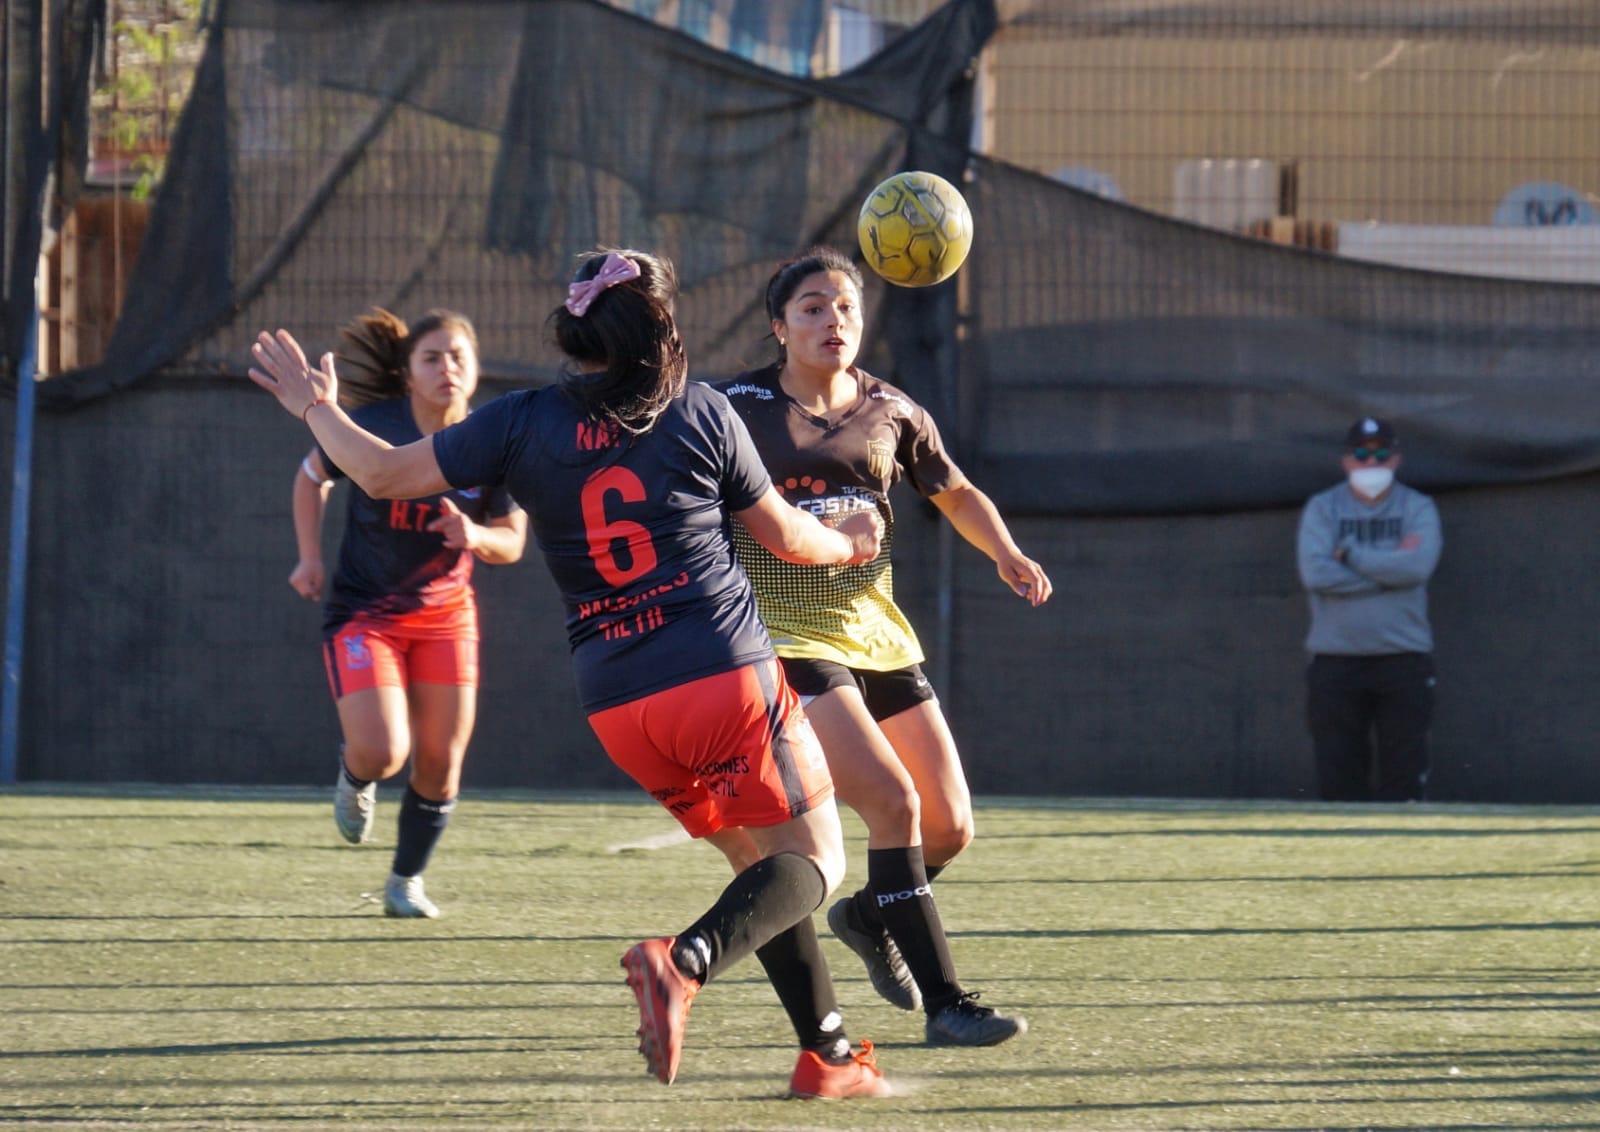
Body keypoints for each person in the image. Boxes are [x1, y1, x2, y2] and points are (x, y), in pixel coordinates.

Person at [250, 248, 893, 1100]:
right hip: (721, 676)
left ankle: (828, 1057)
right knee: (816, 863)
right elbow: (789, 539)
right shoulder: (700, 411)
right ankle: (684, 962)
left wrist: (316, 407)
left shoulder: (521, 421)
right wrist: (851, 538)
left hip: (621, 707)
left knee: (761, 869)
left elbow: (376, 471)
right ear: (662, 326)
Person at [713, 246, 1053, 1047]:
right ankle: (947, 1006)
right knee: (893, 804)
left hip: (876, 634)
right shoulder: (735, 409)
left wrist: (1003, 550)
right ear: (778, 325)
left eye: (846, 308)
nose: (834, 320)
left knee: (949, 827)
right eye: (812, 307)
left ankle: (870, 913)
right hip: (783, 633)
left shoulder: (892, 409)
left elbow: (955, 490)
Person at [286, 307, 528, 919]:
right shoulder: (373, 427)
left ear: (475, 371)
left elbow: (513, 541)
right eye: (431, 357)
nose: (447, 367)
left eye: (458, 356)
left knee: (441, 767)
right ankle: (355, 773)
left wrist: (474, 535)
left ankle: (404, 884)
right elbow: (311, 475)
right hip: (366, 612)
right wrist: (308, 557)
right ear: (408, 372)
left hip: (446, 617)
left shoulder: (492, 443)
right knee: (381, 752)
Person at [1296, 416, 1442, 802]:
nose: (1370, 464)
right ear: (1346, 461)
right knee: (1339, 776)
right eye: (1361, 455)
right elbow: (1317, 575)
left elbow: (1416, 568)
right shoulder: (1323, 509)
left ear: (1395, 460)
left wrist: (1350, 555)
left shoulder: (1417, 507)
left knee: (1404, 776)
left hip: (1403, 658)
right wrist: (1388, 573)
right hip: (1335, 659)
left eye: (1380, 455)